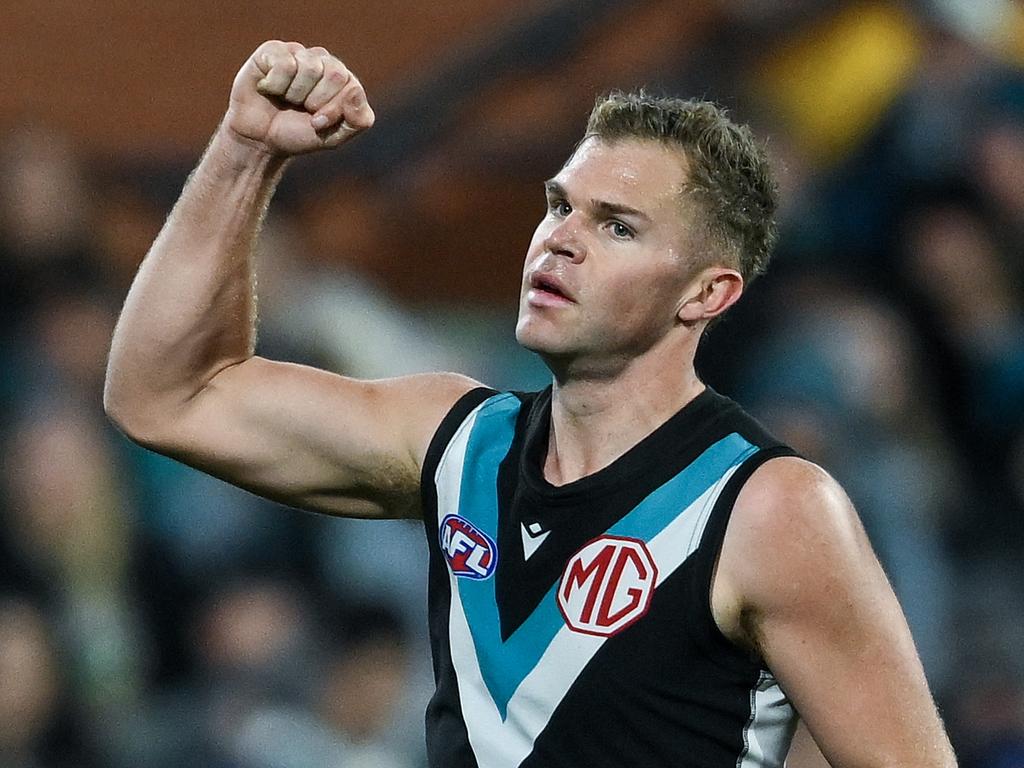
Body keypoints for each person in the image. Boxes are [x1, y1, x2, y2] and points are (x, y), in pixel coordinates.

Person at [104, 40, 958, 767]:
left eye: (617, 226)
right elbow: (166, 395)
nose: (560, 238)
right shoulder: (456, 442)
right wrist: (246, 152)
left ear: (707, 294)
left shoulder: (771, 511)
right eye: (560, 205)